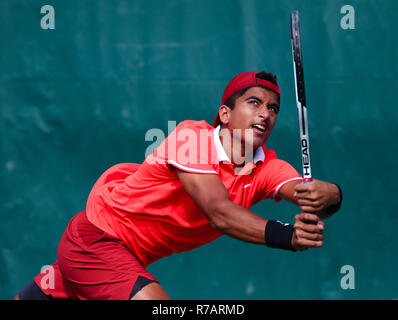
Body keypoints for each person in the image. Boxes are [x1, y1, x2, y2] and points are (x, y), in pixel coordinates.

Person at [14, 71, 342, 300]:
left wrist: (329, 196)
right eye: (254, 102)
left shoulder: (267, 165)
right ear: (225, 114)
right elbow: (219, 213)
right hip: (97, 240)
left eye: (273, 108)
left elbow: (306, 194)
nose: (266, 113)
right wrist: (289, 236)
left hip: (125, 258)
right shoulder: (190, 139)